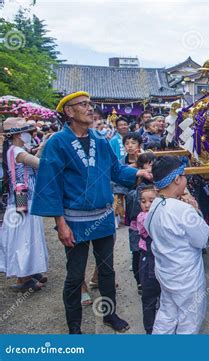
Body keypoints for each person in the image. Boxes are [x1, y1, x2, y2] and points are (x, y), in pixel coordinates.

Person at [31, 91, 152, 334]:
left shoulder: (100, 139)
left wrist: (139, 173)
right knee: (75, 276)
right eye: (83, 105)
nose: (90, 108)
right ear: (69, 111)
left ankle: (110, 315)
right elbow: (51, 184)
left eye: (90, 104)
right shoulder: (57, 143)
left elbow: (116, 171)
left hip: (103, 218)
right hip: (74, 221)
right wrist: (60, 224)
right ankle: (74, 328)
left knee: (107, 270)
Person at [145, 156, 209, 334]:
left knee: (167, 312)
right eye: (183, 176)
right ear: (176, 179)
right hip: (186, 277)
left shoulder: (155, 206)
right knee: (189, 320)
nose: (185, 180)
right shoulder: (183, 209)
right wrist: (196, 209)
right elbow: (203, 239)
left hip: (166, 273)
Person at [0, 117, 48, 292]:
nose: (30, 134)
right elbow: (40, 164)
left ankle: (29, 273)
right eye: (28, 132)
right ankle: (23, 278)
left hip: (22, 199)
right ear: (18, 134)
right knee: (24, 239)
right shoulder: (17, 151)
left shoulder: (14, 150)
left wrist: (41, 147)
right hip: (23, 200)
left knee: (26, 238)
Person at [125, 152, 156, 294]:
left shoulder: (157, 185)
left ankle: (148, 280)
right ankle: (139, 282)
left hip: (149, 230)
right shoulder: (139, 189)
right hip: (137, 229)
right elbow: (133, 213)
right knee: (138, 254)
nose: (152, 167)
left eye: (154, 164)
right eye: (149, 164)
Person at [136, 184, 161, 334]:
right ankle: (149, 330)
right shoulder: (142, 217)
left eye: (151, 201)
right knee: (149, 297)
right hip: (147, 261)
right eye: (143, 201)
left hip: (160, 261)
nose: (146, 205)